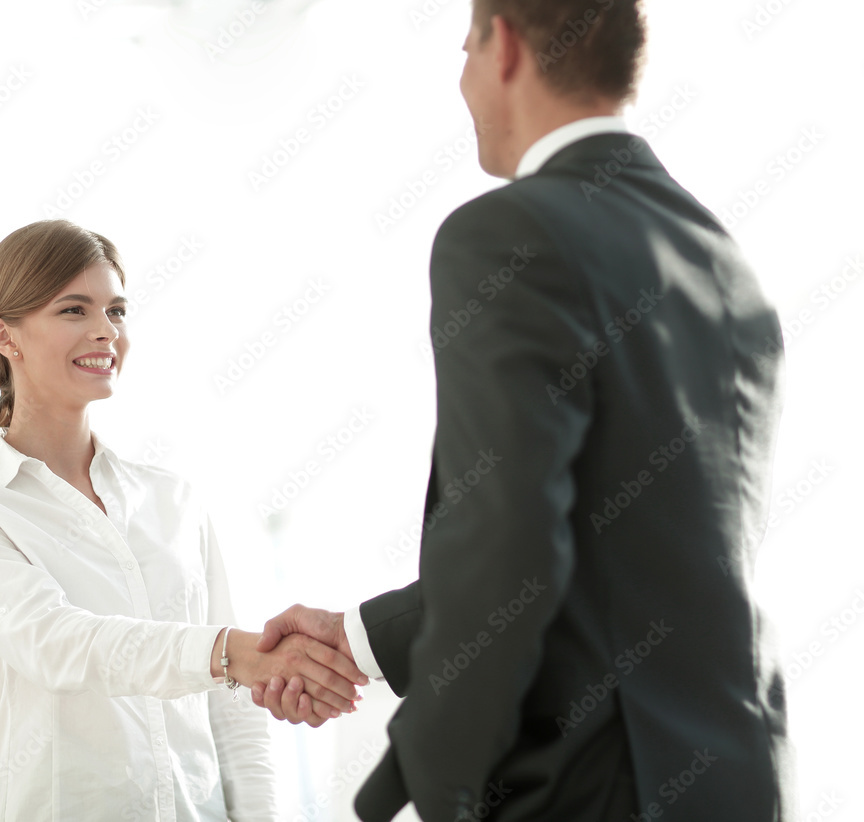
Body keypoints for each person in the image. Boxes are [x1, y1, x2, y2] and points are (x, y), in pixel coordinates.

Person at [253, 1, 794, 820]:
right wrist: (359, 638)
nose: (460, 75)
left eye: (464, 45)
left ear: (502, 44)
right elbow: (610, 547)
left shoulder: (510, 234)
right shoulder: (724, 262)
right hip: (736, 779)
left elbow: (509, 533)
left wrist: (425, 777)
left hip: (592, 787)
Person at [0, 220, 367, 822]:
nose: (105, 331)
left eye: (117, 311)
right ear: (5, 337)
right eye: (74, 309)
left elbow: (232, 708)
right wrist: (236, 654)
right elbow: (53, 643)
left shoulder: (173, 500)